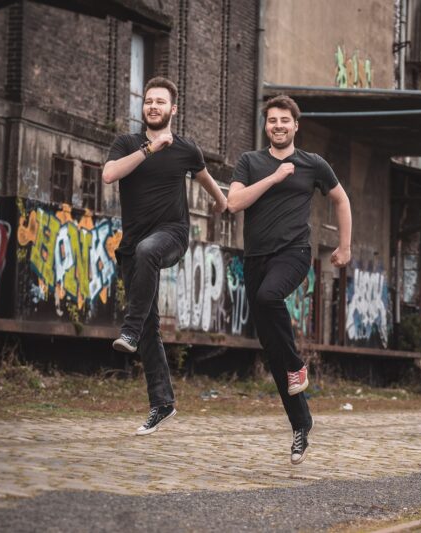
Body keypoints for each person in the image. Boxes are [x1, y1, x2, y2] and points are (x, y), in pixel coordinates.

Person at [227, 95, 352, 464]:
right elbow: (234, 203)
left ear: (296, 125)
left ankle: (298, 364)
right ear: (266, 126)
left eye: (285, 120)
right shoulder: (250, 162)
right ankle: (301, 425)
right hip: (255, 259)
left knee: (269, 297)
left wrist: (344, 246)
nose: (278, 126)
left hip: (294, 253)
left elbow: (341, 200)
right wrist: (274, 177)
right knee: (272, 350)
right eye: (272, 120)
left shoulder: (313, 164)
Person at [103, 77, 227, 436]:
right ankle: (162, 403)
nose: (153, 106)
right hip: (133, 246)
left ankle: (128, 330)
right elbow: (109, 174)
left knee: (148, 254)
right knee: (150, 326)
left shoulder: (186, 150)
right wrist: (150, 149)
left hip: (172, 235)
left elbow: (207, 180)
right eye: (148, 101)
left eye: (160, 101)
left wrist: (223, 203)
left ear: (173, 109)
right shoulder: (126, 144)